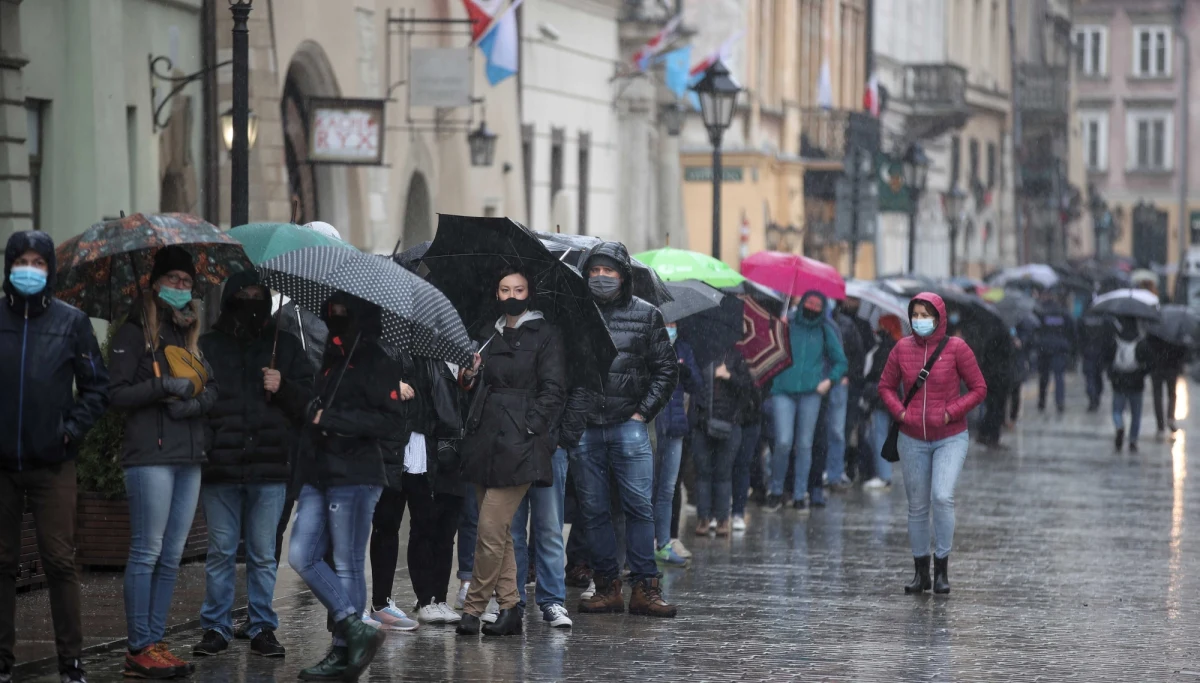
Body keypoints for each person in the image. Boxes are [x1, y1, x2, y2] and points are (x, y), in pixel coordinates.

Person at [0, 232, 108, 683]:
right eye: (21, 260)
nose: (30, 269)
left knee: (60, 562)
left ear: (50, 270)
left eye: (38, 262)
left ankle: (72, 661)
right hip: (2, 464)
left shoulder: (72, 322)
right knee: (1, 562)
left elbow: (96, 387)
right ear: (8, 266)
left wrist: (69, 433)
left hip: (53, 462)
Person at [108, 246, 218, 678]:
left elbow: (211, 390)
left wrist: (190, 403)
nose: (180, 287)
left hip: (188, 456)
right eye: (173, 278)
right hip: (149, 456)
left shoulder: (188, 335)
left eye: (187, 281)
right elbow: (114, 395)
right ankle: (138, 646)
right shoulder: (135, 333)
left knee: (171, 556)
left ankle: (155, 641)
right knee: (147, 550)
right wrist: (159, 388)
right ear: (154, 283)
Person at [193, 272, 312, 659]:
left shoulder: (286, 346)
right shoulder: (208, 345)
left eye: (258, 295)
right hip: (221, 466)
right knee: (221, 551)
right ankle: (215, 626)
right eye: (242, 294)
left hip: (269, 465)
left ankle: (262, 625)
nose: (250, 300)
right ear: (229, 299)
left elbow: (309, 403)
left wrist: (284, 387)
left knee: (263, 553)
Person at [288, 293, 402, 680]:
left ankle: (344, 653)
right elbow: (315, 407)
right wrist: (311, 410)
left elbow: (389, 422)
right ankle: (355, 628)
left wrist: (335, 419)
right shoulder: (331, 357)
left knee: (349, 564)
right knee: (302, 554)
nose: (335, 316)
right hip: (319, 472)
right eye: (331, 309)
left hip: (356, 475)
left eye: (344, 311)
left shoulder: (378, 361)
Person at [456, 267, 566, 637]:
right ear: (496, 293)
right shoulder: (488, 334)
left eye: (519, 288)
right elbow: (473, 385)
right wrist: (469, 376)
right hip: (484, 439)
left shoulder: (546, 334)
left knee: (489, 528)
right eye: (504, 289)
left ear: (529, 291)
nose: (512, 295)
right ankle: (509, 608)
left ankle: (473, 609)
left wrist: (530, 425)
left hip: (520, 443)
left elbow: (554, 390)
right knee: (499, 535)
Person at [571, 242, 679, 618]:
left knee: (638, 508)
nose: (601, 277)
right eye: (594, 271)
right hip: (586, 428)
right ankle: (606, 587)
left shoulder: (646, 315)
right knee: (594, 510)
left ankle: (646, 588)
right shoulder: (574, 315)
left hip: (627, 427)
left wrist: (642, 412)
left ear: (623, 275)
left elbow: (666, 369)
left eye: (609, 271)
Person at [879, 293, 986, 595]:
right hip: (911, 438)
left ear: (939, 317)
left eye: (926, 315)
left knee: (941, 496)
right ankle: (920, 572)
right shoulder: (901, 348)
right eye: (915, 314)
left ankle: (942, 567)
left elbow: (979, 388)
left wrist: (952, 411)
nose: (920, 320)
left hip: (950, 437)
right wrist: (900, 410)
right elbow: (885, 386)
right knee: (917, 507)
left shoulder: (956, 348)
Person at [369, 355, 466, 630]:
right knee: (386, 524)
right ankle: (380, 602)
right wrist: (391, 387)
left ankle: (428, 600)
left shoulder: (425, 350)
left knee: (426, 523)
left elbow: (436, 393)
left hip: (422, 441)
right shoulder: (382, 341)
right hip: (392, 443)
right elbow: (363, 380)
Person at [766, 291, 847, 512]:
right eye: (808, 306)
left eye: (816, 307)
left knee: (804, 445)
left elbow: (841, 361)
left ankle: (800, 495)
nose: (811, 311)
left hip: (811, 393)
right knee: (783, 442)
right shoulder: (787, 323)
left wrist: (829, 381)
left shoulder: (825, 329)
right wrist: (777, 329)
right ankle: (776, 490)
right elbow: (768, 346)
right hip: (783, 389)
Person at [690, 348, 753, 537]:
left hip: (729, 423)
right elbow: (692, 384)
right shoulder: (700, 356)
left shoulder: (736, 356)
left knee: (723, 473)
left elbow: (747, 387)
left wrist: (728, 376)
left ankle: (723, 519)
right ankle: (703, 518)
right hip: (702, 423)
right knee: (703, 472)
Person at [652, 321, 701, 563]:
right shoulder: (649, 345)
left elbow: (696, 385)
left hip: (675, 428)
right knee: (646, 487)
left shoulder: (684, 349)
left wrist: (686, 372)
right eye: (666, 323)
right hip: (652, 427)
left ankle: (663, 542)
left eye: (673, 324)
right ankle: (642, 545)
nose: (670, 328)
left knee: (667, 488)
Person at [859, 317, 900, 489]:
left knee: (879, 435)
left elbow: (877, 374)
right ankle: (882, 474)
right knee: (877, 435)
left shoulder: (886, 350)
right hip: (889, 399)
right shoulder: (897, 348)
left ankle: (883, 476)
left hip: (882, 400)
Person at [1106, 315, 1151, 452]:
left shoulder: (1115, 340)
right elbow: (1149, 363)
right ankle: (1133, 440)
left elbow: (1108, 360)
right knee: (1136, 414)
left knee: (1117, 410)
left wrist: (1112, 376)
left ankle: (1119, 426)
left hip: (1119, 381)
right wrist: (1141, 374)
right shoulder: (1141, 342)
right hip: (1136, 383)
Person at [1035, 291, 1075, 414]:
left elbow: (1037, 329)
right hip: (1059, 348)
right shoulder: (1063, 313)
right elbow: (1071, 331)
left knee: (1044, 376)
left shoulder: (1041, 312)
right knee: (1059, 376)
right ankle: (1059, 402)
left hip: (1044, 348)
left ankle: (1042, 401)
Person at [1147, 335, 1188, 438]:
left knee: (1158, 396)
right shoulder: (1174, 331)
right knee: (1172, 394)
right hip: (1171, 367)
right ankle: (1170, 418)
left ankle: (1160, 425)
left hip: (1156, 368)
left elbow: (1147, 348)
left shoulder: (1154, 331)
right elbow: (1181, 350)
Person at [1077, 306, 1110, 413]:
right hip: (1100, 353)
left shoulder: (1083, 319)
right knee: (1098, 376)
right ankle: (1096, 396)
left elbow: (1079, 335)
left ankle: (1092, 397)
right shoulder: (1103, 318)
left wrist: (1081, 349)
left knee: (1090, 377)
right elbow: (1108, 336)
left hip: (1088, 353)